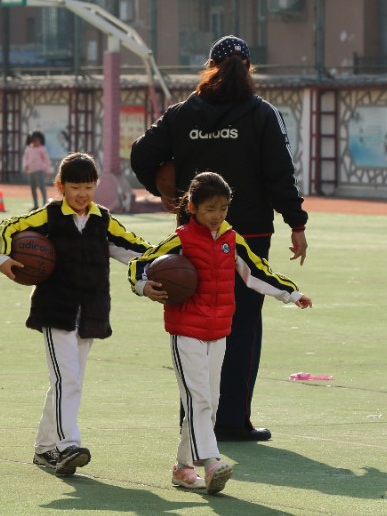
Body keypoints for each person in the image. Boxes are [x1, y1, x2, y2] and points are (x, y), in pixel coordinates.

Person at [130, 34, 308, 442]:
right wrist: (296, 224)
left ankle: (193, 419)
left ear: (209, 67)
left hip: (191, 233)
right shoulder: (262, 114)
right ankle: (231, 420)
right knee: (242, 324)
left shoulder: (181, 114)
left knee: (194, 324)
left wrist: (165, 193)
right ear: (248, 69)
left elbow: (142, 154)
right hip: (249, 234)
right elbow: (281, 174)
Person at [130, 172, 312, 494]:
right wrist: (145, 286)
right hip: (185, 330)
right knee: (197, 398)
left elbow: (257, 271)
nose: (217, 216)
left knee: (210, 401)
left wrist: (292, 294)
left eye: (223, 208)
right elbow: (140, 263)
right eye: (210, 209)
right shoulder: (181, 238)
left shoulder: (231, 239)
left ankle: (183, 469)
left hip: (218, 332)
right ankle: (211, 461)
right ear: (192, 206)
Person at [0, 152, 152, 476]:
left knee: (66, 382)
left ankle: (44, 448)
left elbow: (137, 249)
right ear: (60, 186)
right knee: (67, 379)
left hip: (90, 313)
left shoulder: (103, 220)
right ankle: (67, 446)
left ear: (96, 186)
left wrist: (157, 269)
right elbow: (9, 226)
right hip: (55, 310)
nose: (82, 194)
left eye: (88, 187)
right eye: (75, 187)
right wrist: (1, 258)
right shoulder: (48, 216)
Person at [22, 130, 52, 209]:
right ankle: (35, 205)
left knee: (41, 187)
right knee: (33, 188)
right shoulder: (28, 148)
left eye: (37, 140)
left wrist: (48, 170)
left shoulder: (42, 149)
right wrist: (25, 166)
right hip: (31, 171)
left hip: (39, 170)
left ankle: (45, 203)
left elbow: (46, 160)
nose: (36, 142)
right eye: (34, 140)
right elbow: (25, 158)